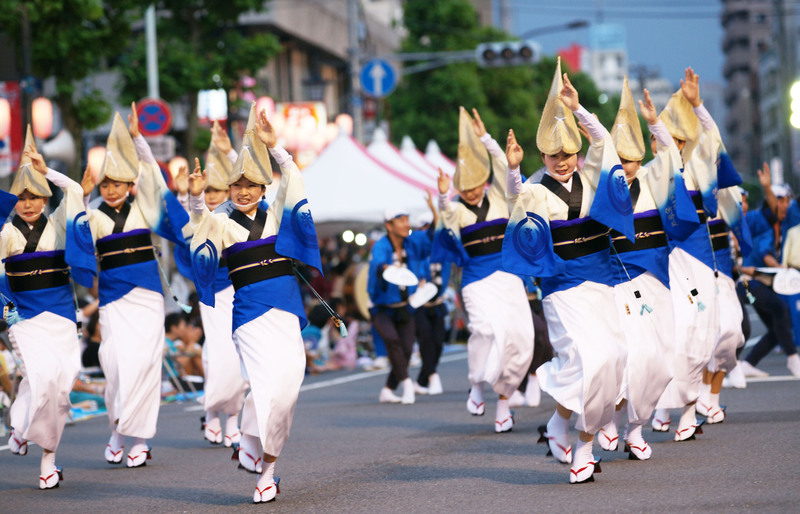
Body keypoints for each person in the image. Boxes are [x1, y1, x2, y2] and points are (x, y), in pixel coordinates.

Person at [502, 60, 632, 483]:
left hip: (600, 279)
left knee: (613, 359)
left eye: (569, 153)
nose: (562, 160)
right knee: (589, 359)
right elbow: (518, 209)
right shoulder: (536, 190)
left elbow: (605, 146)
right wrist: (512, 170)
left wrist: (579, 111)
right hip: (560, 284)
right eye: (554, 154)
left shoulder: (592, 180)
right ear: (543, 154)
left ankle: (558, 422)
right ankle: (584, 446)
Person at [187, 106, 322, 503]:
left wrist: (275, 148)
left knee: (288, 387)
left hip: (285, 309)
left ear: (263, 188)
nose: (243, 190)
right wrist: (195, 196)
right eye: (236, 184)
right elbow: (199, 222)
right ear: (229, 189)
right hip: (248, 314)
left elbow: (293, 179)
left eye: (251, 184)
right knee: (266, 386)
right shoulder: (221, 221)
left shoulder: (278, 214)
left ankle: (251, 442)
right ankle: (267, 471)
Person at [81, 103, 189, 468]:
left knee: (144, 363)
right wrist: (80, 197)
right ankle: (116, 429)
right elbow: (77, 239)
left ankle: (140, 438)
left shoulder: (143, 207)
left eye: (118, 183)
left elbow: (155, 179)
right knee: (114, 364)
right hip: (112, 297)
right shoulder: (93, 215)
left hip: (146, 294)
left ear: (130, 185)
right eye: (106, 184)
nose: (111, 189)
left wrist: (139, 137)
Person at [650, 69, 748, 440]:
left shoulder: (700, 172)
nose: (669, 143)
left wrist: (697, 105)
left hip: (704, 262)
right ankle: (666, 406)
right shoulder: (648, 175)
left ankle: (693, 406)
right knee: (673, 338)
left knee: (709, 336)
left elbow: (713, 140)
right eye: (663, 137)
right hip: (662, 265)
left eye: (678, 137)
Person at [2, 127, 93, 489]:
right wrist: (5, 309)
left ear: (44, 197)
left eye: (35, 195)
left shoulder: (58, 223)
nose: (28, 203)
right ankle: (44, 456)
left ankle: (31, 438)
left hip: (61, 315)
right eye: (21, 197)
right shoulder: (6, 234)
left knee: (60, 386)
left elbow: (75, 191)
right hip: (24, 317)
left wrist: (46, 171)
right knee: (40, 380)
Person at [433, 106, 533, 433]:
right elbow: (445, 224)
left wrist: (487, 138)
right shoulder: (458, 209)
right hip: (475, 278)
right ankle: (476, 383)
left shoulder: (502, 199)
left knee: (518, 338)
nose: (472, 192)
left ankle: (504, 402)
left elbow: (509, 167)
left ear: (486, 181)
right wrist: (445, 196)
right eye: (466, 188)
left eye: (476, 185)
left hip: (508, 275)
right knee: (484, 330)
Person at [174, 121, 248, 447]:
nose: (215, 196)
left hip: (243, 288)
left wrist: (228, 148)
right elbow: (196, 214)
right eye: (210, 191)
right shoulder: (199, 216)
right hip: (212, 291)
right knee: (219, 353)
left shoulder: (238, 214)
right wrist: (192, 196)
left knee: (241, 353)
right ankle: (214, 413)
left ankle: (232, 416)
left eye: (220, 190)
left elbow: (252, 176)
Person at [368, 206, 429, 405]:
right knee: (393, 342)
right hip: (382, 307)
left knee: (407, 349)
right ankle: (407, 384)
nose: (406, 224)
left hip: (405, 305)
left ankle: (387, 390)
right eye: (401, 220)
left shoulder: (410, 244)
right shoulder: (381, 246)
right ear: (389, 225)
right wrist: (386, 268)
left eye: (407, 219)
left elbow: (429, 237)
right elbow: (379, 263)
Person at [739, 184, 800, 377]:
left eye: (786, 202)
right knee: (779, 309)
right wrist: (780, 268)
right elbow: (765, 255)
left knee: (779, 326)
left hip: (761, 284)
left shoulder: (780, 227)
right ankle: (793, 358)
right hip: (749, 284)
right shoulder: (764, 224)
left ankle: (748, 364)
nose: (784, 206)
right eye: (781, 201)